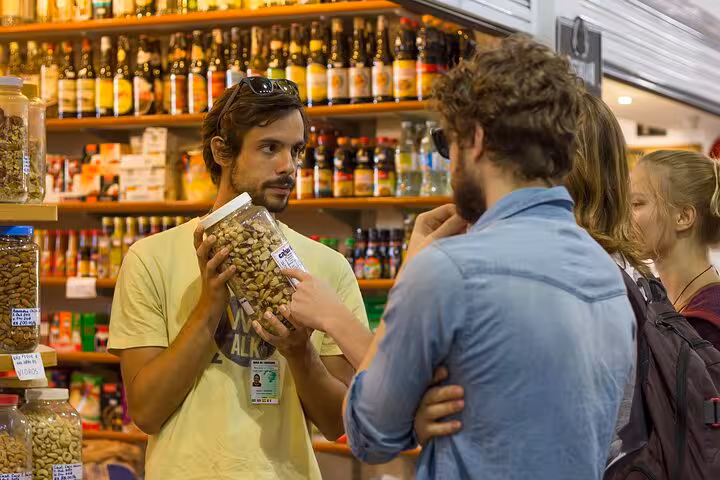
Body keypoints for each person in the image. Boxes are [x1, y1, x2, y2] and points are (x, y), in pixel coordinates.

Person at [340, 36, 635, 479]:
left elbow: (369, 432)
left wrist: (410, 271)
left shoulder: (448, 269)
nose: (449, 162)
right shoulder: (607, 271)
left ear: (475, 139)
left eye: (447, 143)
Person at [107, 78, 368, 479]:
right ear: (222, 151)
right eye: (270, 148)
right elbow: (145, 411)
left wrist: (300, 352)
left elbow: (336, 423)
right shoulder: (150, 258)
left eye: (296, 150)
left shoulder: (327, 266)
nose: (289, 166)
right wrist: (209, 307)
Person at [631, 149, 720, 348]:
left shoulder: (707, 324)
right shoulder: (657, 298)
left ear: (683, 217)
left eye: (636, 203)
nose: (623, 216)